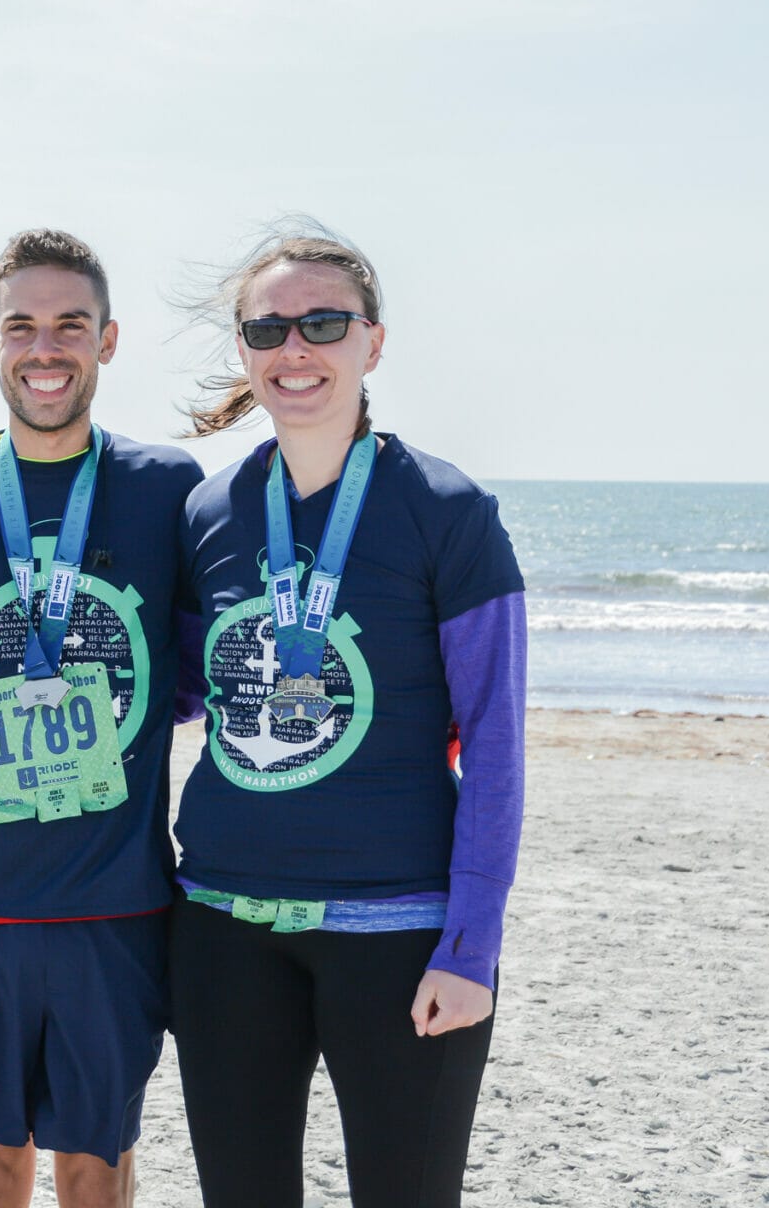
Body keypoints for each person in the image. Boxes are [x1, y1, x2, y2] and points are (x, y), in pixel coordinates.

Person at [170, 222, 526, 1206]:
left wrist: (472, 946)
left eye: (324, 322)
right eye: (268, 328)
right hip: (223, 930)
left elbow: (495, 741)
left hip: (402, 934)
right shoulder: (209, 512)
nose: (296, 349)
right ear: (242, 350)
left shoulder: (448, 510)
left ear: (374, 341)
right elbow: (190, 689)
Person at [0, 229, 203, 1208]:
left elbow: (204, 663)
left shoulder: (168, 492)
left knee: (95, 1166)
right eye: (20, 325)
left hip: (114, 901)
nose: (46, 348)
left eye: (70, 324)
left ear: (108, 340)